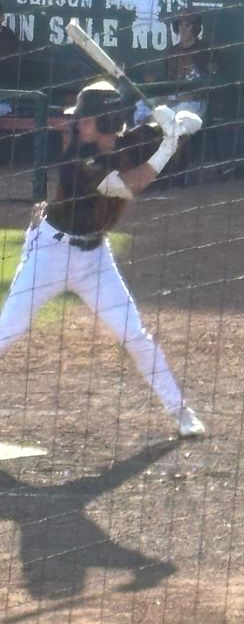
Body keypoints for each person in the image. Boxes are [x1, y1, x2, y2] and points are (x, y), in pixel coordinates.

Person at [0, 79, 206, 438]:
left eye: (85, 118)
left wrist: (171, 124)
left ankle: (181, 412)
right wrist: (166, 147)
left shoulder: (130, 141)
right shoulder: (77, 155)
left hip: (95, 258)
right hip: (50, 254)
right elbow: (127, 185)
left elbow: (191, 124)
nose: (76, 123)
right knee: (7, 333)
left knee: (135, 336)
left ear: (108, 121)